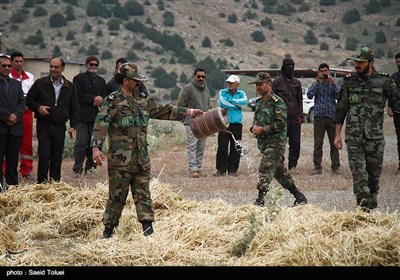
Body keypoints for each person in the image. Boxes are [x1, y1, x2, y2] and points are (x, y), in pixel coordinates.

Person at [91, 63, 203, 238]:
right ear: (125, 80)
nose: (138, 82)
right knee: (116, 198)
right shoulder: (112, 101)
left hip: (141, 160)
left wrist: (189, 112)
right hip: (120, 161)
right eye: (135, 80)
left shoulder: (143, 100)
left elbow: (164, 110)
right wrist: (96, 148)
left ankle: (148, 231)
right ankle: (108, 232)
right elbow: (100, 124)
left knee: (144, 196)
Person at [334, 47, 400, 211]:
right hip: (354, 137)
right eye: (355, 61)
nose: (357, 65)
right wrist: (337, 135)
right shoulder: (349, 82)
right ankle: (363, 210)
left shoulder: (384, 81)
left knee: (373, 178)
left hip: (375, 139)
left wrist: (391, 107)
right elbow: (341, 110)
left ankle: (370, 210)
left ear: (371, 62)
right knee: (359, 176)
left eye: (361, 62)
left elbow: (397, 101)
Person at [249, 72, 307, 207]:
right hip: (264, 144)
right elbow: (257, 121)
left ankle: (260, 200)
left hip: (276, 143)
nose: (258, 87)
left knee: (265, 168)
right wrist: (254, 128)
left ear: (269, 84)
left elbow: (281, 123)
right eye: (256, 85)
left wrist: (263, 130)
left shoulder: (277, 102)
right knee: (279, 172)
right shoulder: (259, 103)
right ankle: (299, 196)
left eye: (260, 84)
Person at [26, 57, 79, 184]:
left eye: (56, 67)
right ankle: (42, 184)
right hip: (44, 125)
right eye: (51, 66)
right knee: (44, 155)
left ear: (62, 69)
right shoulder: (40, 83)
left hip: (60, 126)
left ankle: (55, 184)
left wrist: (73, 126)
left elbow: (74, 107)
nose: (53, 69)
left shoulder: (70, 87)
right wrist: (38, 108)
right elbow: (29, 100)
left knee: (57, 156)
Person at [2, 51, 35, 181]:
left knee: (26, 142)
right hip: (9, 113)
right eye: (16, 61)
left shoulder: (30, 77)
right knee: (7, 142)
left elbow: (31, 95)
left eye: (21, 61)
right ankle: (5, 169)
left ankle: (26, 170)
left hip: (25, 113)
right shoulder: (7, 76)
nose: (19, 64)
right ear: (11, 62)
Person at [72, 56, 107, 177]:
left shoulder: (101, 81)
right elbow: (77, 94)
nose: (93, 67)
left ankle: (90, 169)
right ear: (87, 65)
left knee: (95, 144)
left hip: (96, 117)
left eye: (96, 65)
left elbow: (104, 95)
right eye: (91, 64)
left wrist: (100, 99)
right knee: (81, 144)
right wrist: (93, 99)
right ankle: (77, 169)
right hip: (82, 116)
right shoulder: (78, 79)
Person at [177, 66, 211, 178]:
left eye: (203, 76)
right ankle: (192, 169)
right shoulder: (187, 88)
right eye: (199, 76)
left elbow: (207, 105)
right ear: (194, 76)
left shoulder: (207, 90)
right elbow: (180, 105)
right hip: (191, 122)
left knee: (201, 146)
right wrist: (186, 118)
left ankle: (199, 168)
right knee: (192, 145)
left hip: (204, 122)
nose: (201, 78)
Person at [307, 63, 340, 175]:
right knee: (318, 144)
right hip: (319, 118)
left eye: (326, 70)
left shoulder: (332, 84)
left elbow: (339, 96)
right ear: (319, 72)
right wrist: (317, 81)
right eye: (322, 71)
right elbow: (309, 95)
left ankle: (335, 167)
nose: (324, 73)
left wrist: (333, 82)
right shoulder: (317, 84)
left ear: (329, 71)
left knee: (333, 144)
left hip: (331, 117)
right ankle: (317, 167)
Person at [272, 58, 303, 171]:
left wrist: (300, 115)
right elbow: (272, 99)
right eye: (288, 66)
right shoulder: (276, 82)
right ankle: (280, 165)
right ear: (283, 68)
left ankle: (292, 166)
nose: (290, 68)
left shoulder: (297, 83)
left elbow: (300, 99)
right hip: (281, 118)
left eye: (292, 66)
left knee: (295, 143)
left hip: (295, 117)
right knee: (280, 143)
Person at [213, 74, 247, 177]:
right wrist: (236, 105)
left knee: (236, 147)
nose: (229, 84)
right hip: (224, 123)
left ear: (237, 84)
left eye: (232, 82)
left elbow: (245, 102)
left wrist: (231, 102)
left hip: (237, 123)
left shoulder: (242, 93)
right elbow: (222, 102)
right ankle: (221, 170)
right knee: (222, 146)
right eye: (228, 82)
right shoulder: (222, 92)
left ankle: (233, 170)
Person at [0, 55, 25, 192]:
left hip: (15, 129)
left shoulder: (16, 84)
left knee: (12, 162)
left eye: (9, 66)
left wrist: (15, 115)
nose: (7, 68)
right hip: (1, 128)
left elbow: (22, 102)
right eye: (4, 65)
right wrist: (7, 116)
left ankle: (12, 191)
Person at [388, 52, 400, 175]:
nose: (399, 63)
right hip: (398, 112)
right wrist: (389, 107)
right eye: (397, 61)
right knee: (399, 139)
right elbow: (390, 94)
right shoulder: (394, 77)